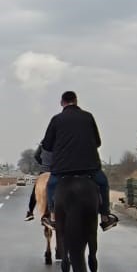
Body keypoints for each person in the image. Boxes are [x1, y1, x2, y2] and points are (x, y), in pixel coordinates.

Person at [38, 91, 116, 230]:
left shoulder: (56, 119)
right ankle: (105, 217)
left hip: (62, 169)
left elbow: (47, 145)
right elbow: (98, 142)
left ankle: (53, 216)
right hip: (89, 168)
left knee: (50, 186)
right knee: (103, 183)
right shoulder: (88, 117)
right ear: (76, 101)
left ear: (62, 103)